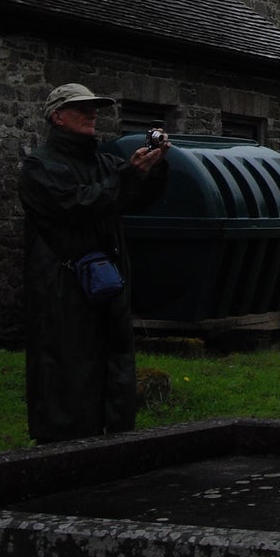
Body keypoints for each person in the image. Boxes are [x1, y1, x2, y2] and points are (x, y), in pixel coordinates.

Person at [18, 82, 169, 444]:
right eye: (81, 108)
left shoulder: (103, 161)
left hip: (108, 285)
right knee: (67, 372)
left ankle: (112, 445)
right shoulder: (39, 166)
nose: (91, 115)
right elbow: (77, 203)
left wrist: (154, 167)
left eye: (94, 108)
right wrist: (129, 176)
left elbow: (133, 197)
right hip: (61, 289)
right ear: (57, 116)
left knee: (112, 369)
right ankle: (64, 454)